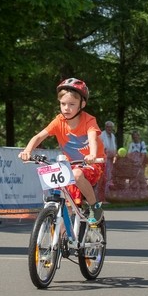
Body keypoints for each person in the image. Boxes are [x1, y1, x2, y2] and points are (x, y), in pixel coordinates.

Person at [18, 78, 105, 225]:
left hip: (93, 164)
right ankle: (61, 235)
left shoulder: (88, 120)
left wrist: (92, 155)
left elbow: (92, 138)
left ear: (82, 104)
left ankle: (94, 206)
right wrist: (27, 150)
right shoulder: (59, 121)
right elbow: (39, 136)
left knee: (77, 175)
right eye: (63, 104)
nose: (66, 108)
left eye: (72, 104)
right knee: (62, 194)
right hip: (70, 165)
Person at [99, 120, 117, 202]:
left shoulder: (112, 136)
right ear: (105, 127)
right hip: (103, 159)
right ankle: (102, 197)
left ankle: (107, 196)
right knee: (104, 178)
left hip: (110, 159)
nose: (109, 128)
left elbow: (114, 147)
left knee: (109, 178)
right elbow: (100, 147)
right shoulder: (102, 135)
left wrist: (115, 155)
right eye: (108, 127)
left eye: (111, 127)